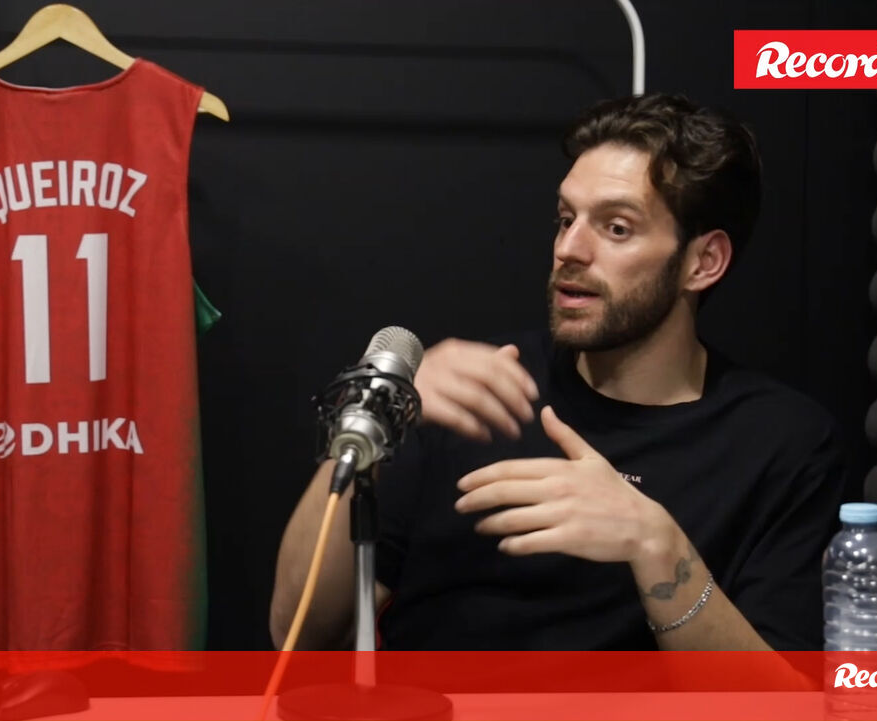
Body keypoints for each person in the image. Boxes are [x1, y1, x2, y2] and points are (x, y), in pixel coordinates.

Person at [270, 93, 846, 651]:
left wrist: (655, 544)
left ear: (703, 262)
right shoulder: (474, 393)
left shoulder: (779, 445)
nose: (570, 248)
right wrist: (375, 424)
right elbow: (295, 633)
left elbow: (778, 698)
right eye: (566, 219)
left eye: (616, 228)